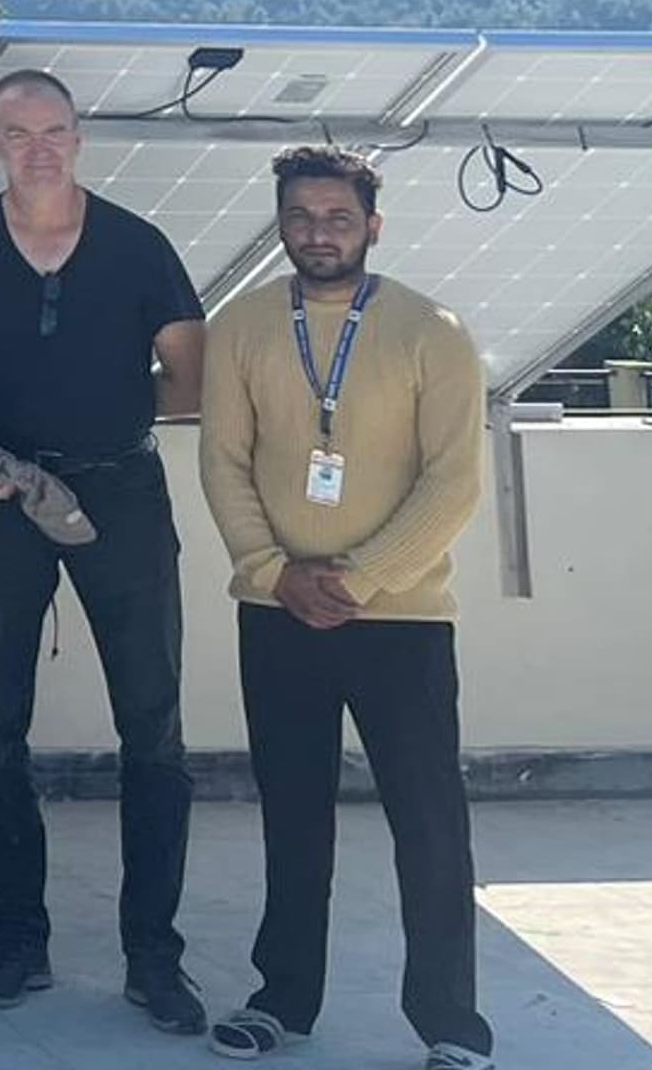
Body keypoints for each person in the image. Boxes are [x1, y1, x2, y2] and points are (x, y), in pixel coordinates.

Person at [0, 66, 210, 1033]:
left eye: (53, 131)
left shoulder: (138, 246)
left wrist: (108, 418)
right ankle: (18, 938)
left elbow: (189, 375)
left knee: (153, 728)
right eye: (18, 133)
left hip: (121, 491)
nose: (37, 149)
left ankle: (153, 956)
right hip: (4, 497)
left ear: (78, 139)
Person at [196, 147, 492, 1070]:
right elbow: (224, 462)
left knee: (428, 820)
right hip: (276, 609)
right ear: (280, 224)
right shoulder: (241, 327)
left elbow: (453, 482)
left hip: (401, 616)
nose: (317, 233)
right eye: (299, 216)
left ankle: (451, 1023)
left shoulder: (433, 331)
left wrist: (359, 580)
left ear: (373, 225)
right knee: (293, 816)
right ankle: (282, 1000)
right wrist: (270, 569)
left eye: (336, 217)